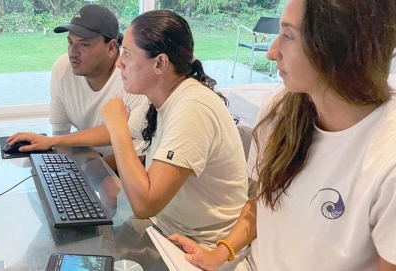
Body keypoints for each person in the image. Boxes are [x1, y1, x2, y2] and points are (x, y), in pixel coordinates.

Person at [10, 10, 250, 270]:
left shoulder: (193, 108)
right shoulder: (161, 97)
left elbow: (144, 204)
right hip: (164, 227)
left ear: (159, 64)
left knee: (74, 253)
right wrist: (51, 142)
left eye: (127, 54)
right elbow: (112, 131)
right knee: (57, 243)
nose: (119, 63)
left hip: (200, 247)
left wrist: (116, 126)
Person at [169, 0, 396, 270]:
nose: (272, 52)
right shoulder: (278, 113)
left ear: (338, 46)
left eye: (288, 35)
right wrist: (219, 253)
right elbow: (258, 207)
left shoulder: (386, 157)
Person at [45, 4, 147, 155]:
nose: (72, 52)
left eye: (84, 44)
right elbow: (60, 136)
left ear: (111, 48)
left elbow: (138, 155)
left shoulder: (133, 80)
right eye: (70, 42)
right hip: (90, 161)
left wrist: (88, 172)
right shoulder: (62, 67)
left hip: (124, 170)